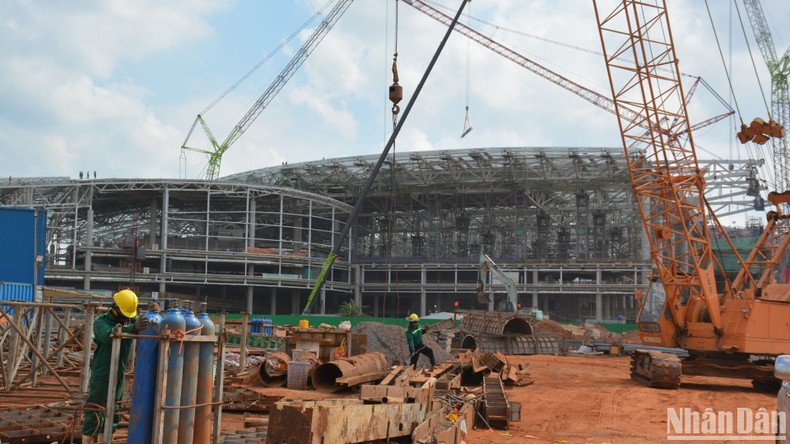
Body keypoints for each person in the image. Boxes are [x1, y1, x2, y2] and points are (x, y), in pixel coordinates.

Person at [82, 289, 148, 443]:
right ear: (115, 308)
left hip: (119, 374)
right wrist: (131, 328)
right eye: (124, 314)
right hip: (102, 374)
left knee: (115, 411)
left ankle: (106, 440)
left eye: (129, 316)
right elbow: (107, 335)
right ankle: (88, 440)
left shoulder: (130, 322)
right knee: (95, 409)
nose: (126, 318)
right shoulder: (101, 322)